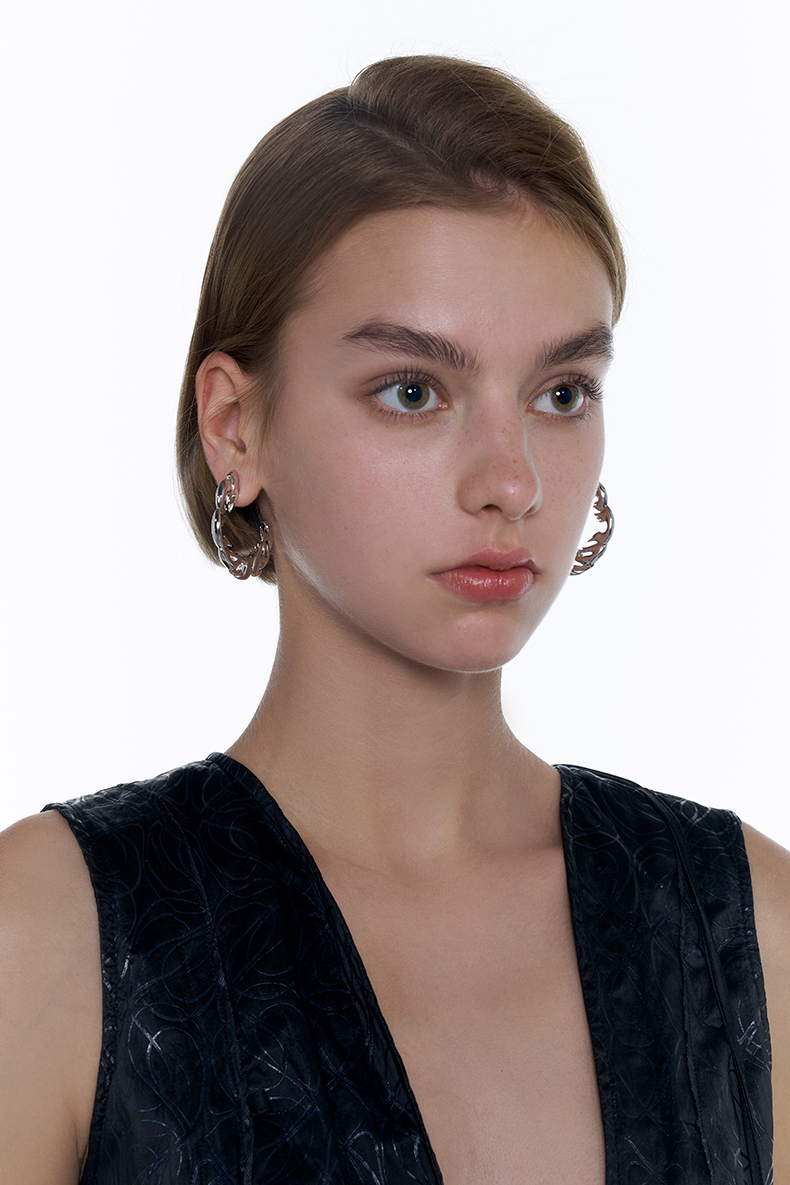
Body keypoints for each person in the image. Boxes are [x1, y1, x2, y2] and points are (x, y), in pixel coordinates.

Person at [0, 54, 787, 1185]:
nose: (511, 481)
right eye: (413, 391)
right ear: (234, 426)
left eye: (561, 392)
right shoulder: (52, 939)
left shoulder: (744, 930)